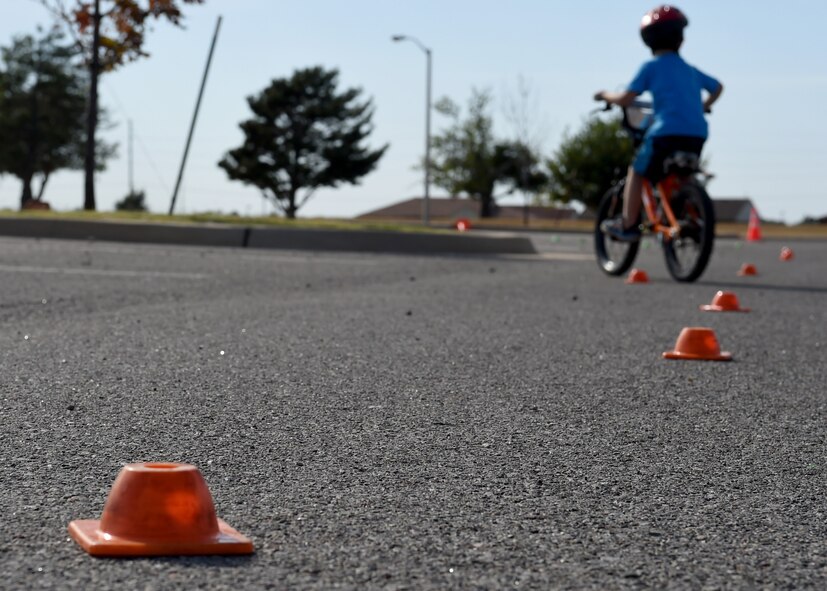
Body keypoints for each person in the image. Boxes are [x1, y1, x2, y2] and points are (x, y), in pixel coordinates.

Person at [594, 5, 723, 242]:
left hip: (665, 132)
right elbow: (718, 87)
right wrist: (702, 106)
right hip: (697, 133)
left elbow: (626, 98)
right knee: (681, 173)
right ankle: (685, 213)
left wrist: (604, 95)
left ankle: (629, 224)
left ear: (648, 40)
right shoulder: (690, 70)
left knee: (636, 171)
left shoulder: (651, 67)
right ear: (681, 38)